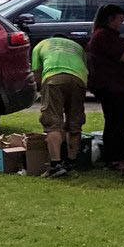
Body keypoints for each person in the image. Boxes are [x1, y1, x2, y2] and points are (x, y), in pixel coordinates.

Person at [85, 3, 124, 171]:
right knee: (119, 120)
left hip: (115, 85)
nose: (122, 20)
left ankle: (114, 156)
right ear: (110, 19)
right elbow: (122, 55)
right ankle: (114, 157)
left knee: (117, 120)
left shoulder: (108, 35)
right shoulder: (103, 36)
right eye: (120, 17)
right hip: (111, 86)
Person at [30, 29, 88, 178]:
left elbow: (37, 74)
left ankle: (56, 165)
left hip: (54, 77)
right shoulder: (77, 47)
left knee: (53, 121)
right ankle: (71, 161)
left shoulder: (41, 45)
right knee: (74, 122)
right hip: (79, 80)